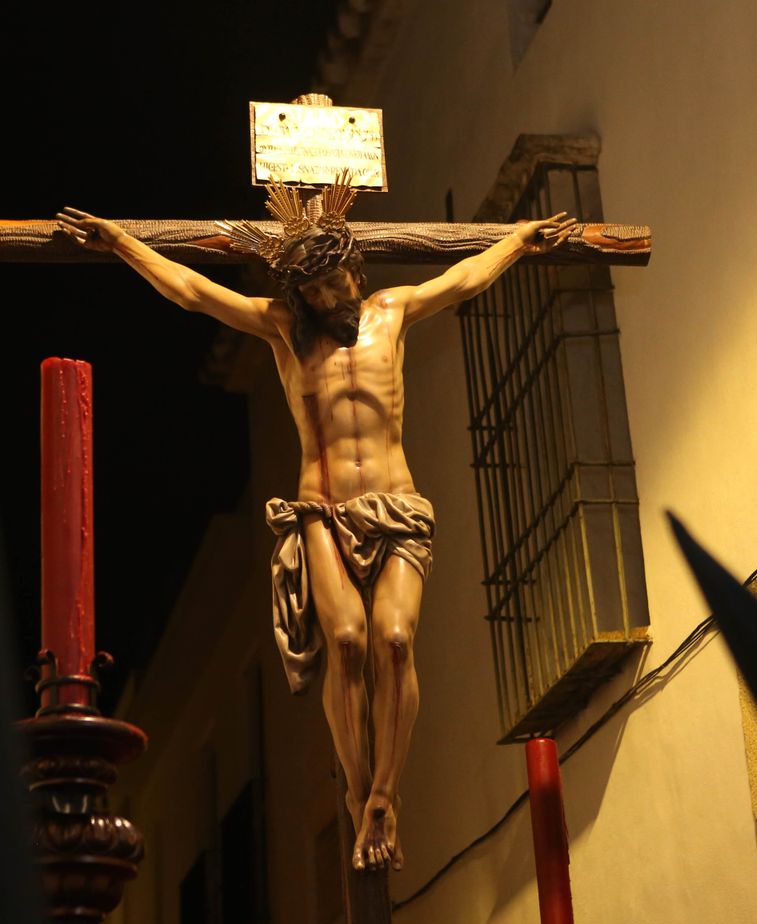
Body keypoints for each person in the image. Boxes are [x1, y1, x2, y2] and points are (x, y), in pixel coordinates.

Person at [57, 181, 578, 870]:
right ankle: (360, 796)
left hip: (396, 508)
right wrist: (123, 242)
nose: (332, 300)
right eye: (317, 292)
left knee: (394, 639)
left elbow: (461, 279)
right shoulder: (282, 330)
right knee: (347, 639)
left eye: (338, 284)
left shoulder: (392, 313)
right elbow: (192, 292)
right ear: (300, 294)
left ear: (355, 273)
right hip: (322, 513)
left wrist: (516, 240)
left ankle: (384, 796)